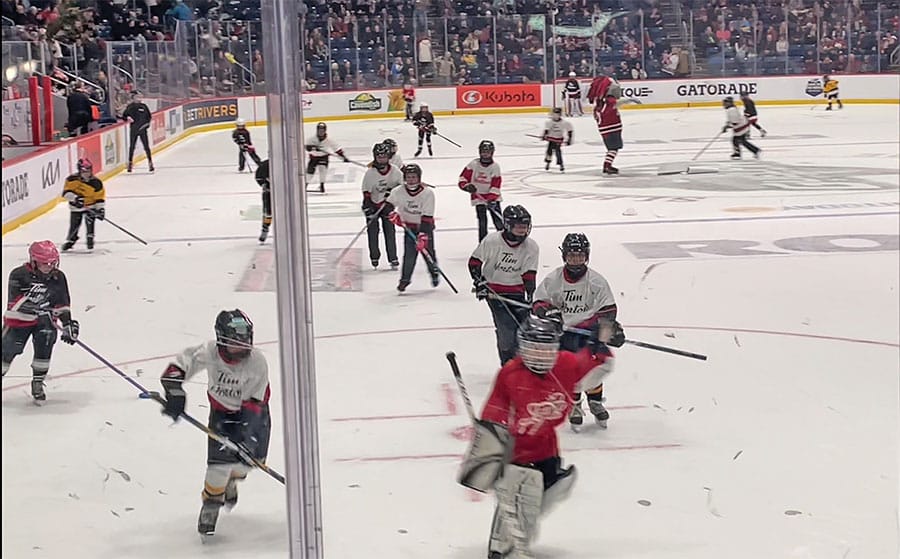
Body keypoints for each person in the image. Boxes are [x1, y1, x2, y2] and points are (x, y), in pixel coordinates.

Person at [458, 313, 615, 559]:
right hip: (515, 453)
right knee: (515, 503)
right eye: (534, 349)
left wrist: (599, 343)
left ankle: (517, 537)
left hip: (545, 449)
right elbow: (494, 417)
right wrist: (488, 455)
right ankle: (502, 548)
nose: (541, 356)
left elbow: (594, 369)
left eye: (546, 349)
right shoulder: (511, 374)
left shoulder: (565, 364)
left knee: (535, 504)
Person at [159, 309, 271, 538]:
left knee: (250, 463)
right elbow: (178, 367)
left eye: (245, 341)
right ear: (220, 339)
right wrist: (174, 390)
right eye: (235, 343)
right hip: (222, 414)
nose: (242, 347)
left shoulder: (257, 362)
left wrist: (247, 437)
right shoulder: (210, 352)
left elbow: (255, 404)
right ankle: (211, 503)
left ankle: (233, 481)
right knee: (217, 467)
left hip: (253, 413)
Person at [532, 233, 625, 430]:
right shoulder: (553, 279)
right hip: (564, 334)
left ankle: (595, 400)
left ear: (587, 256)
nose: (576, 259)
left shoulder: (597, 282)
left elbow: (608, 310)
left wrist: (609, 331)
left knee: (594, 367)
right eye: (572, 255)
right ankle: (575, 404)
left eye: (580, 255)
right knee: (571, 370)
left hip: (589, 333)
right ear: (564, 255)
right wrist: (549, 312)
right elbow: (539, 302)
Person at [2, 241, 79, 402]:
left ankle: (38, 382)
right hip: (18, 321)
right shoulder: (18, 274)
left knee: (44, 351)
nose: (49, 266)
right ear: (33, 260)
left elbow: (62, 303)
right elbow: (14, 304)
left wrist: (67, 324)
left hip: (45, 322)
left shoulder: (58, 277)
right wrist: (35, 306)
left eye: (52, 262)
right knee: (6, 352)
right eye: (45, 263)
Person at [469, 205, 539, 365]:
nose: (523, 230)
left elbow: (529, 274)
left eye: (525, 226)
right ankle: (508, 364)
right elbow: (474, 262)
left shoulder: (531, 247)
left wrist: (530, 296)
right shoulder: (492, 241)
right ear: (508, 225)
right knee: (506, 328)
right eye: (519, 226)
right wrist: (480, 283)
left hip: (517, 292)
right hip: (495, 292)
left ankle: (523, 362)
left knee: (525, 329)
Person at [382, 164, 438, 292]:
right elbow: (388, 206)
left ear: (419, 178)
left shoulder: (428, 193)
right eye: (408, 177)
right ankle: (405, 280)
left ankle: (434, 272)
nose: (411, 180)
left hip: (425, 227)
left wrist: (423, 235)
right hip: (409, 228)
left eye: (414, 177)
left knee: (428, 253)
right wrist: (391, 214)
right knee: (409, 255)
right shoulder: (398, 191)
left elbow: (427, 216)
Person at [362, 143, 402, 269]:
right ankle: (374, 256)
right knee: (372, 232)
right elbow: (366, 192)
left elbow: (402, 187)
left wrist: (393, 194)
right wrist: (368, 207)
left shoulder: (395, 171)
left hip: (387, 206)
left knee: (390, 231)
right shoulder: (370, 173)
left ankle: (393, 258)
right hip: (373, 205)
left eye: (384, 157)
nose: (382, 159)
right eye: (379, 157)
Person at [458, 140, 504, 241]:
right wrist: (466, 186)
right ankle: (483, 243)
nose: (485, 154)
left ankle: (504, 241)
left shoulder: (495, 167)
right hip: (478, 198)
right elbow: (463, 178)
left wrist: (491, 198)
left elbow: (496, 184)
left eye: (487, 152)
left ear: (492, 153)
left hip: (493, 199)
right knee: (482, 222)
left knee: (498, 221)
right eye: (483, 151)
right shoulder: (473, 164)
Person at [61, 159, 105, 251]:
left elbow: (99, 197)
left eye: (88, 171)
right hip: (76, 208)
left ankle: (90, 239)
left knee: (90, 223)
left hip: (90, 207)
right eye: (84, 171)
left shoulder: (96, 182)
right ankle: (71, 240)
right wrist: (75, 198)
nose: (87, 174)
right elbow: (65, 193)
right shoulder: (71, 179)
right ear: (80, 171)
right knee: (74, 226)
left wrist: (100, 209)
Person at [305, 122, 349, 193]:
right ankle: (306, 184)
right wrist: (313, 148)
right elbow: (307, 148)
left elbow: (336, 149)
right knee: (310, 172)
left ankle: (322, 185)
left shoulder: (329, 140)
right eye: (319, 130)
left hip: (323, 157)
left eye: (322, 130)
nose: (321, 132)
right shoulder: (311, 139)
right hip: (313, 158)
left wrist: (343, 157)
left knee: (323, 170)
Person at [122, 91, 154, 173]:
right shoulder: (130, 107)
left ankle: (150, 163)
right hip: (134, 129)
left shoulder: (144, 106)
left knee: (146, 146)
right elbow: (124, 116)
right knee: (132, 147)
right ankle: (130, 163)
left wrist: (146, 125)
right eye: (137, 97)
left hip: (143, 129)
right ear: (133, 98)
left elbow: (149, 117)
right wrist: (127, 118)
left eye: (140, 97)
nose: (139, 99)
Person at [596, 82, 623, 175]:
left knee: (612, 149)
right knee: (613, 148)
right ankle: (607, 165)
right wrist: (630, 100)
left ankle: (608, 165)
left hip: (606, 129)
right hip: (611, 128)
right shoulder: (610, 100)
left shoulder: (601, 102)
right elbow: (616, 105)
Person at [542, 108, 573, 172]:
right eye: (554, 114)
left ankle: (561, 164)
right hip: (551, 138)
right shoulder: (549, 122)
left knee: (558, 152)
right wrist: (544, 136)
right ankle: (548, 163)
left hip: (558, 139)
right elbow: (546, 130)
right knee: (549, 151)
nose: (556, 116)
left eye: (557, 114)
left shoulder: (565, 123)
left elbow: (570, 131)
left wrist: (569, 139)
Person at [254, 159, 271, 243]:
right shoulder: (265, 165)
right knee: (268, 214)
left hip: (284, 193)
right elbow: (258, 177)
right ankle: (265, 228)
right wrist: (264, 183)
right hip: (268, 193)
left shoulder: (285, 163)